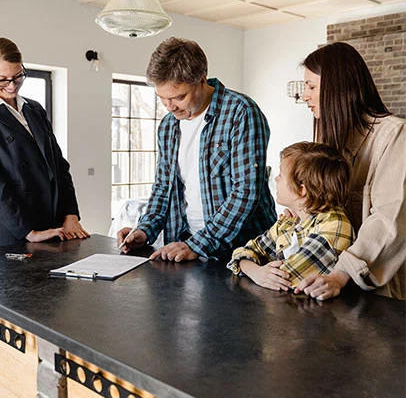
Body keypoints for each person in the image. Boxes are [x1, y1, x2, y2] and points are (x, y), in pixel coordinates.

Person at [117, 37, 276, 261]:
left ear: (202, 80)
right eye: (162, 99)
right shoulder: (168, 125)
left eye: (179, 97)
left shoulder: (241, 112)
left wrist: (199, 244)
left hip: (242, 251)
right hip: (186, 244)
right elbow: (164, 186)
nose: (170, 107)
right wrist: (144, 230)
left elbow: (246, 191)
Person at [296, 41, 406, 300]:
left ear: (337, 87)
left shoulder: (394, 134)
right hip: (331, 285)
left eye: (311, 86)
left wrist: (340, 274)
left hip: (379, 293)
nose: (304, 96)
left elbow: (388, 220)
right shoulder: (330, 141)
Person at [0, 37, 89, 247]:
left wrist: (70, 214)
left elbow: (59, 166)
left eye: (18, 77)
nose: (12, 86)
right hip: (15, 229)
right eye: (2, 80)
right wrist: (29, 232)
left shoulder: (34, 108)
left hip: (55, 224)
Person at [227, 142, 354, 291]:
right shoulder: (290, 221)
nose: (276, 179)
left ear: (302, 190)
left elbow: (284, 278)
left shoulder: (334, 226)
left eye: (281, 175)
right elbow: (242, 252)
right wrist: (257, 272)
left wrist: (258, 271)